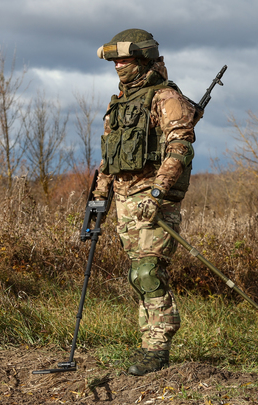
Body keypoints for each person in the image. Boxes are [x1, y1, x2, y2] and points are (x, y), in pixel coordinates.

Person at [93, 28, 198, 375]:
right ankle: (148, 342)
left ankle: (157, 347)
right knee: (137, 276)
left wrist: (157, 192)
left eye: (123, 59)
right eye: (115, 60)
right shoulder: (118, 103)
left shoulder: (165, 97)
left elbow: (180, 148)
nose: (118, 65)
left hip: (154, 199)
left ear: (142, 59)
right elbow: (107, 157)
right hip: (124, 200)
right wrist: (98, 199)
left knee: (148, 270)